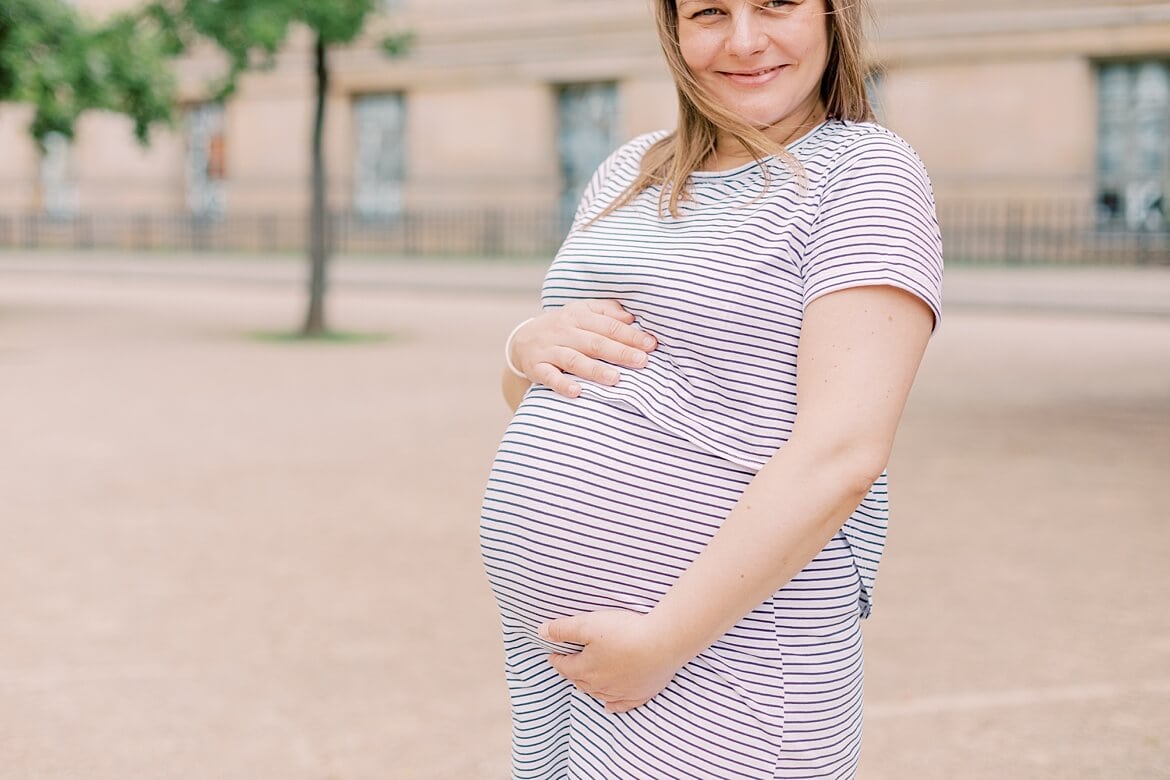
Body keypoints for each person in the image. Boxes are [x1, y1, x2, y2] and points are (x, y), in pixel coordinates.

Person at [479, 0, 943, 776]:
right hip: (564, 646)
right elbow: (561, 390)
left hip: (725, 644)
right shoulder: (628, 171)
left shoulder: (863, 170)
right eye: (710, 12)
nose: (744, 40)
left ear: (832, 16)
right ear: (672, 29)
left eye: (776, 6)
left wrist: (663, 642)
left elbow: (844, 450)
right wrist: (522, 347)